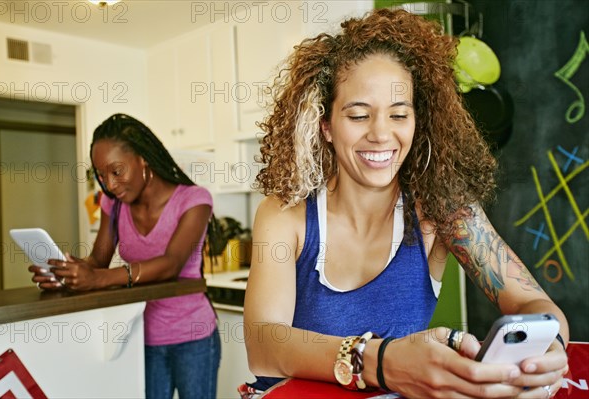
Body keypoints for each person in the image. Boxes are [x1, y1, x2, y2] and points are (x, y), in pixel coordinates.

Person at [242, 8, 569, 399]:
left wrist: (546, 351)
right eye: (359, 115)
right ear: (326, 125)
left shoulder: (441, 210)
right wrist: (382, 361)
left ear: (419, 120)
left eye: (399, 114)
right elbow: (263, 346)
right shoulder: (284, 215)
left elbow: (532, 301)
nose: (381, 134)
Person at [29, 113, 221, 399]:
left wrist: (97, 279)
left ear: (143, 160)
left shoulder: (194, 200)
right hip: (140, 336)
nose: (110, 184)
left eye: (117, 171)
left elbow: (171, 264)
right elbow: (98, 262)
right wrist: (64, 274)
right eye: (102, 175)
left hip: (193, 336)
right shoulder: (114, 203)